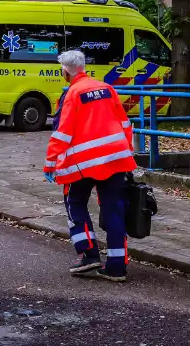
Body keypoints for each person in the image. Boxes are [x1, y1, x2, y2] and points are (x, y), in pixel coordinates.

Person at [44, 49, 136, 282]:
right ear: (84, 67)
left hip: (84, 163)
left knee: (74, 202)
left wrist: (50, 162)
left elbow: (63, 133)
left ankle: (88, 254)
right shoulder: (107, 88)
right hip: (115, 158)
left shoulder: (72, 94)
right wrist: (126, 152)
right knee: (114, 208)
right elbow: (125, 123)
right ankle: (117, 268)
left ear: (65, 72)